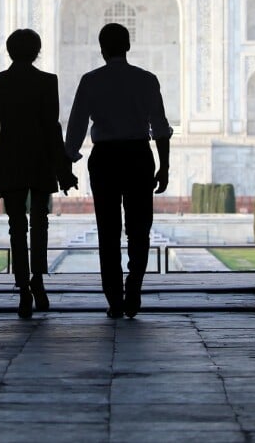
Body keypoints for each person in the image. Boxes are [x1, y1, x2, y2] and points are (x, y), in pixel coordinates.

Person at [65, 22, 173, 319]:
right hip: (139, 156)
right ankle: (134, 286)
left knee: (107, 231)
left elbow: (76, 128)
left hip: (106, 159)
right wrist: (164, 166)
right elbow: (160, 128)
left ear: (102, 50)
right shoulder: (146, 80)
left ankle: (114, 298)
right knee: (140, 229)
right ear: (128, 46)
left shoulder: (91, 80)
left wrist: (67, 164)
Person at [0, 28, 78, 319]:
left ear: (9, 51)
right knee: (40, 224)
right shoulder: (46, 82)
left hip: (9, 161)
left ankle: (23, 289)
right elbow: (51, 128)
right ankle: (38, 280)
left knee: (16, 228)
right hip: (39, 161)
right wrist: (63, 170)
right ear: (37, 51)